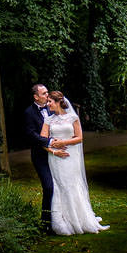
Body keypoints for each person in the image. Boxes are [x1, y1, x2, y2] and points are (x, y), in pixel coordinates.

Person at [41, 90, 109, 235]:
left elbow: (79, 138)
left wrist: (63, 142)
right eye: (47, 102)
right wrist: (54, 150)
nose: (48, 104)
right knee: (60, 186)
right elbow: (43, 140)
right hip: (56, 157)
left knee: (72, 184)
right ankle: (62, 222)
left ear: (58, 102)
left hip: (70, 156)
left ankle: (80, 218)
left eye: (50, 102)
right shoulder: (48, 120)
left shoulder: (73, 117)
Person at [23, 83, 67, 232]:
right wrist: (48, 142)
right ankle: (45, 222)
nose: (47, 96)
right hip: (41, 156)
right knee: (48, 187)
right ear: (36, 97)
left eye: (47, 92)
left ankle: (64, 218)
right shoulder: (29, 113)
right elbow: (30, 135)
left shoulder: (52, 107)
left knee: (62, 186)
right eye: (44, 93)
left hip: (57, 156)